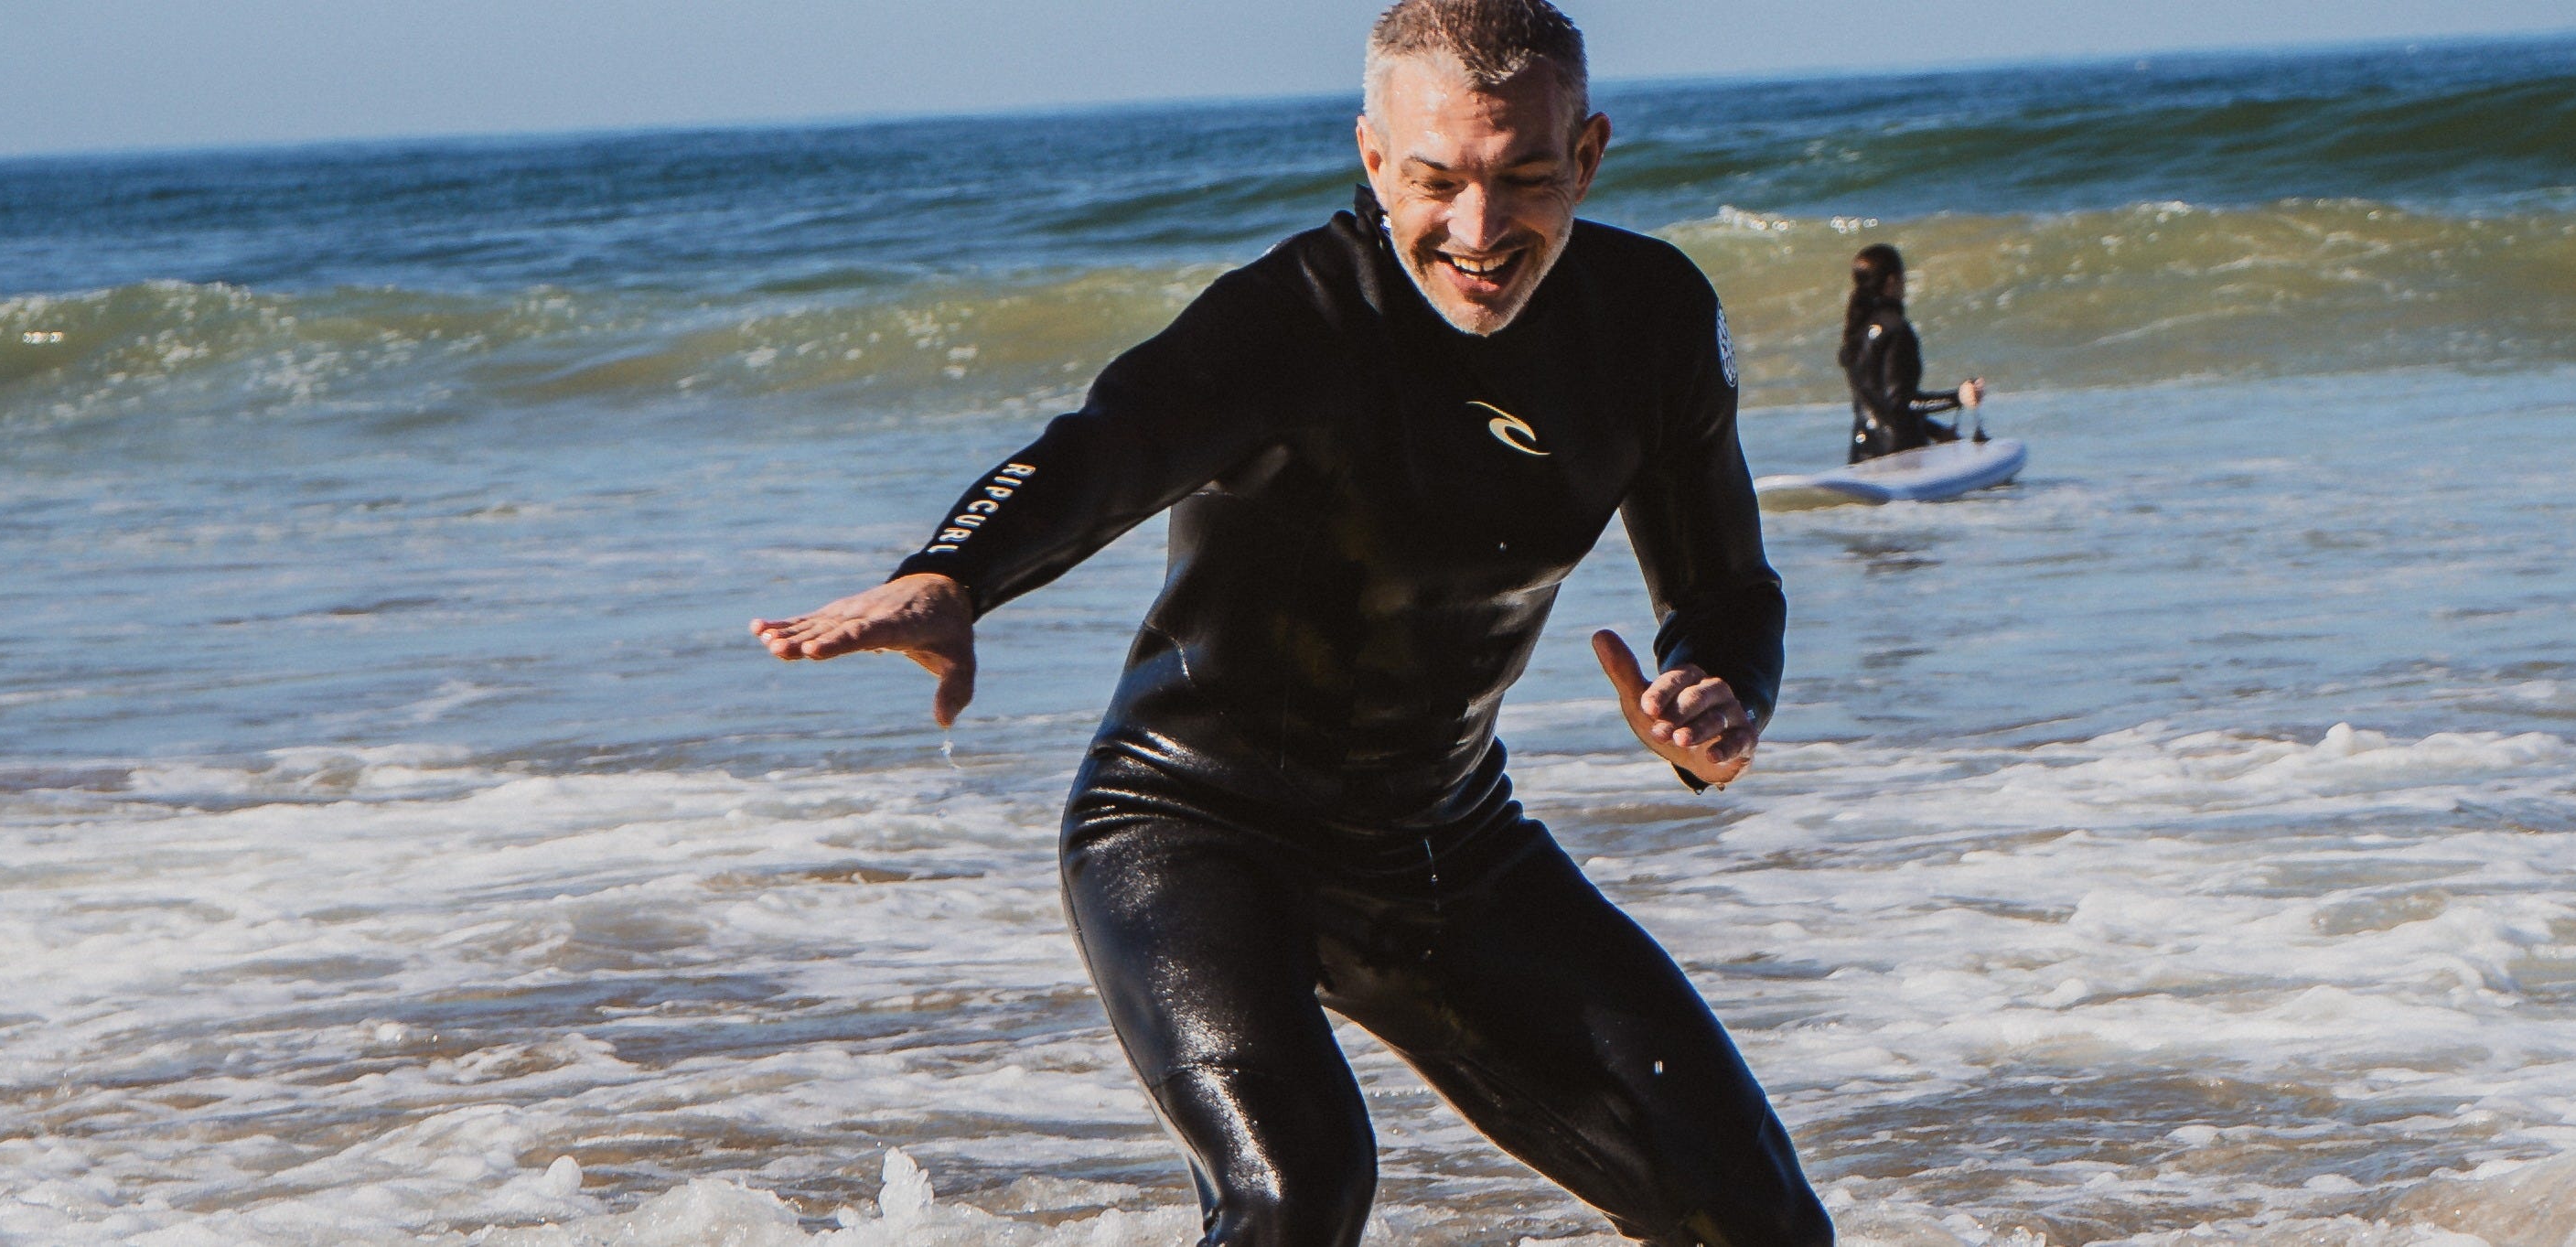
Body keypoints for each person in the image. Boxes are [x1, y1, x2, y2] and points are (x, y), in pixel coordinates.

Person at [746, 3, 1829, 1244]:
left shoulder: (1650, 322)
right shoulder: (1296, 316)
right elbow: (1110, 443)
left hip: (1447, 847)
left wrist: (1717, 692)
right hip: (1195, 829)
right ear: (1374, 159)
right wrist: (952, 571)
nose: (1479, 233)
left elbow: (1726, 588)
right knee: (1301, 1187)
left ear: (1586, 155)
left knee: (1757, 1214)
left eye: (1525, 179)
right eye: (1435, 182)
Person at [1838, 243, 1987, 464]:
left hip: (1862, 454)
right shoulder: (1896, 329)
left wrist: (1936, 432)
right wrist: (1957, 398)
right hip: (1898, 456)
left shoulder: (1856, 331)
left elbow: (1881, 405)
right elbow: (1902, 404)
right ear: (1891, 282)